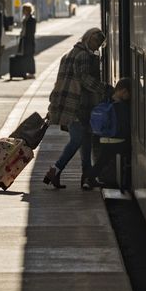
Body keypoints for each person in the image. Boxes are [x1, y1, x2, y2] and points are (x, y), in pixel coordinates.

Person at [43, 28, 110, 190]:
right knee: (77, 140)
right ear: (87, 38)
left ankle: (87, 177)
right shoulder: (84, 56)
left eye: (99, 44)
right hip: (78, 106)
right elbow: (85, 80)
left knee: (85, 141)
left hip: (69, 104)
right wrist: (105, 88)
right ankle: (55, 170)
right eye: (95, 42)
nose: (96, 47)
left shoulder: (70, 54)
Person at [83, 78, 131, 188]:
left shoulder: (106, 100)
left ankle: (88, 179)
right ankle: (126, 182)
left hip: (104, 138)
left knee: (102, 161)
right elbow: (125, 126)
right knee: (129, 152)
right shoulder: (121, 106)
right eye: (129, 94)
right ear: (123, 91)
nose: (129, 97)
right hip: (117, 140)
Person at [19, 3, 37, 78]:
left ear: (27, 10)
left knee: (30, 56)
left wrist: (25, 34)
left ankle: (31, 72)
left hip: (29, 40)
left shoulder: (32, 19)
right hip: (24, 40)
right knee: (25, 55)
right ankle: (25, 71)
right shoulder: (24, 19)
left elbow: (32, 31)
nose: (23, 11)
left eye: (24, 10)